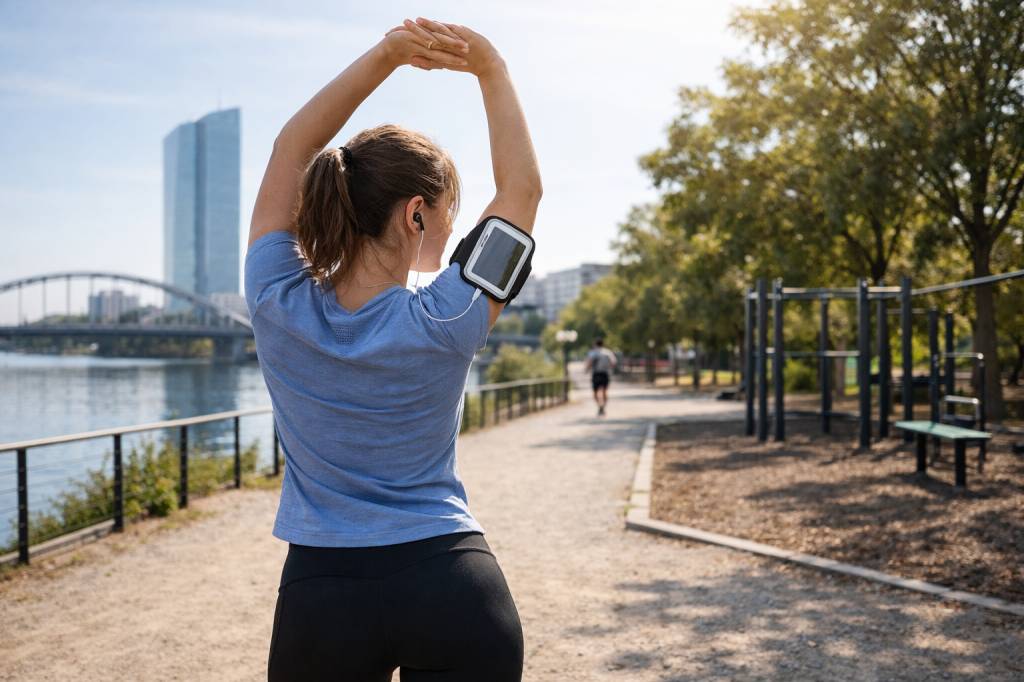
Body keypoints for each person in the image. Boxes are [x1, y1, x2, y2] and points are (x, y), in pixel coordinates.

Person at [244, 17, 542, 681]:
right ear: (415, 215)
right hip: (455, 589)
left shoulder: (273, 299)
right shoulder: (451, 313)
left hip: (322, 597)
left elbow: (292, 148)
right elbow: (521, 191)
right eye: (447, 216)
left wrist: (387, 55)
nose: (451, 230)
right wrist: (488, 65)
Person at [583, 338, 617, 416]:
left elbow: (589, 362)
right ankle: (603, 406)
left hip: (596, 374)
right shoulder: (608, 352)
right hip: (605, 373)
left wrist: (586, 370)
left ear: (595, 344)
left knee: (595, 392)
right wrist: (608, 367)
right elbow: (614, 362)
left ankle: (600, 406)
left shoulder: (593, 353)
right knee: (605, 391)